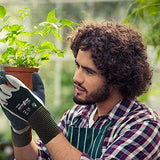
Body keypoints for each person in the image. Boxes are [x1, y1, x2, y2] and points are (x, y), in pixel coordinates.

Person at [0, 20, 160, 160]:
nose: (76, 77)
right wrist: (21, 130)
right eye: (78, 66)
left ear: (117, 78)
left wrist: (40, 118)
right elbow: (39, 157)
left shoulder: (144, 126)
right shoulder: (77, 116)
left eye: (89, 71)